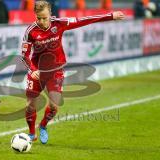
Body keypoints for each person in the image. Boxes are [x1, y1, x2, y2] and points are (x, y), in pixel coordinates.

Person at [22, 0, 125, 144]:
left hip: (55, 71)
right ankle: (32, 133)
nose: (41, 21)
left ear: (50, 14)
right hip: (37, 72)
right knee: (30, 104)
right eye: (38, 18)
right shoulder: (30, 31)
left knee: (54, 106)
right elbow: (25, 55)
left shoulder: (60, 23)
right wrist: (32, 70)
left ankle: (43, 125)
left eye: (44, 18)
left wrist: (110, 16)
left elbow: (84, 20)